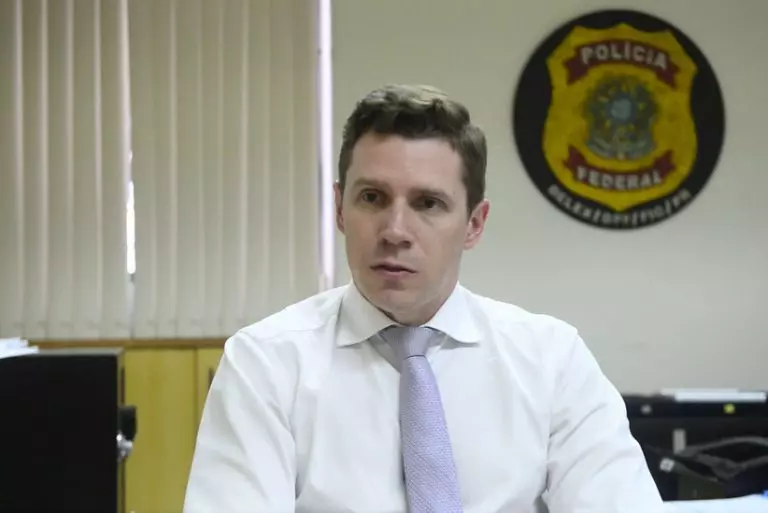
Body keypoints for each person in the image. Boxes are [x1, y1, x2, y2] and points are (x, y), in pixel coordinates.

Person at [183, 84, 665, 513]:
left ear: (474, 224)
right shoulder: (266, 363)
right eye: (372, 198)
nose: (395, 231)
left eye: (428, 203)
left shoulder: (552, 361)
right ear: (340, 210)